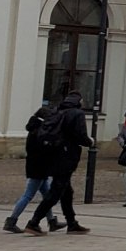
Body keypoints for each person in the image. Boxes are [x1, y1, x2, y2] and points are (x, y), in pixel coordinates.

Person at [27, 91, 94, 234]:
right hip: (66, 157)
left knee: (66, 192)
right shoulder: (77, 114)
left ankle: (72, 223)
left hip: (53, 155)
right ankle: (34, 222)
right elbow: (80, 136)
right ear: (79, 101)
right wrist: (90, 142)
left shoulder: (57, 111)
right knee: (56, 191)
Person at [5, 103, 61, 234]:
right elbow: (44, 149)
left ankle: (52, 221)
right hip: (39, 167)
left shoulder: (34, 128)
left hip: (36, 165)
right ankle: (11, 220)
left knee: (47, 195)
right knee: (28, 195)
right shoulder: (40, 131)